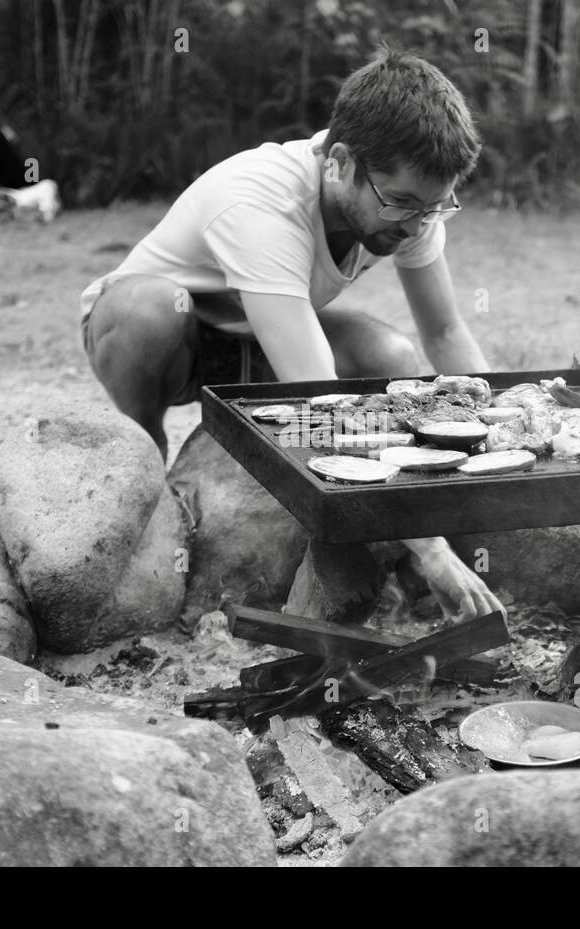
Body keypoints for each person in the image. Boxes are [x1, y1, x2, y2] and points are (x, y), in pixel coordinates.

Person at [80, 50, 503, 624]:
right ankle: (149, 452)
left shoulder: (413, 208)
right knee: (152, 306)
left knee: (393, 357)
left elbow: (446, 332)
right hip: (164, 337)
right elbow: (317, 395)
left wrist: (494, 440)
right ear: (341, 162)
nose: (415, 224)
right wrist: (428, 547)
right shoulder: (262, 200)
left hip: (260, 342)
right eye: (401, 202)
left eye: (433, 208)